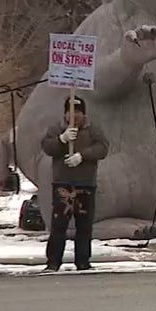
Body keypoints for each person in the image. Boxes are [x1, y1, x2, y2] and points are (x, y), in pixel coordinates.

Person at [40, 97, 109, 272]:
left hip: (85, 184)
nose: (74, 116)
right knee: (59, 225)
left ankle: (83, 261)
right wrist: (61, 140)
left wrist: (82, 156)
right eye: (70, 112)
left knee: (84, 226)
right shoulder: (56, 129)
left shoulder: (93, 130)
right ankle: (53, 261)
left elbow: (103, 148)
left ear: (83, 113)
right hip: (63, 184)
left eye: (77, 112)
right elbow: (47, 147)